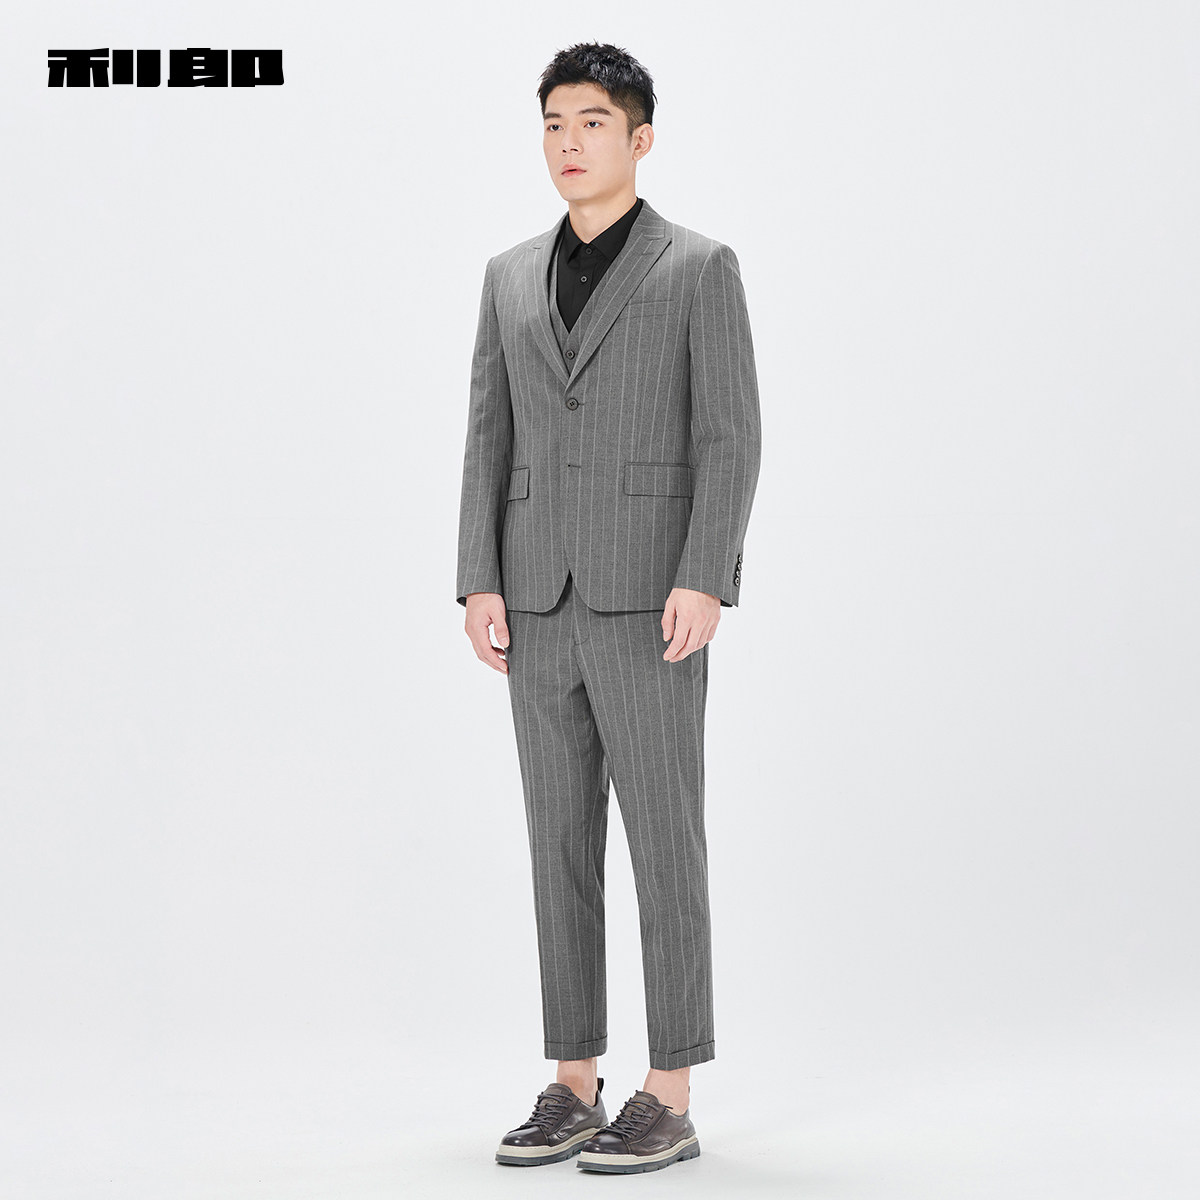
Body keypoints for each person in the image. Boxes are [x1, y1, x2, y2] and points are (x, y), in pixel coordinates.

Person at [455, 40, 761, 1175]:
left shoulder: (699, 268)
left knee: (665, 846)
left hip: (651, 603)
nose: (568, 143)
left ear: (640, 139)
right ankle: (573, 1080)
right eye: (553, 124)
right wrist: (477, 576)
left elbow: (730, 433)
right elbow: (487, 434)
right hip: (536, 601)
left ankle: (668, 1092)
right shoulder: (506, 276)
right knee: (559, 847)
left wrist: (706, 574)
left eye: (591, 123)